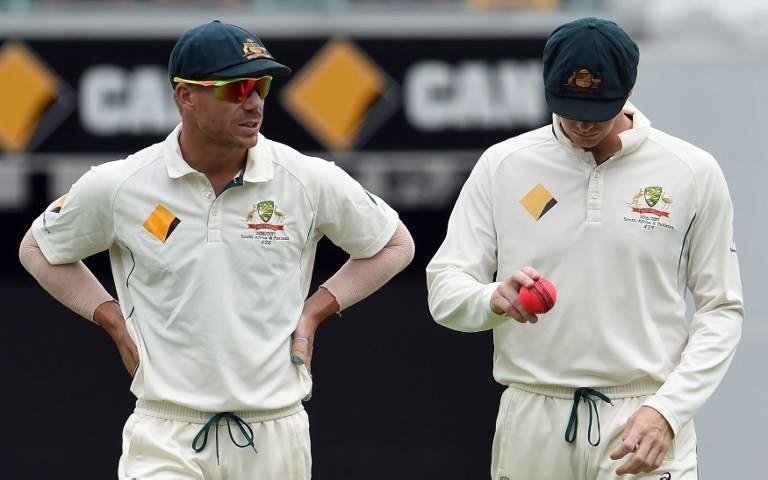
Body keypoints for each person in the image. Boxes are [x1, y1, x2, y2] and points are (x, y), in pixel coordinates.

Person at [19, 20, 414, 479]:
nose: (254, 103)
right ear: (185, 96)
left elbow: (394, 243)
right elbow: (38, 247)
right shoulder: (121, 183)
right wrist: (111, 318)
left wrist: (314, 313)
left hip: (275, 431)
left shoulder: (306, 178)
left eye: (261, 86)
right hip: (165, 432)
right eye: (237, 88)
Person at [426, 17, 742, 480]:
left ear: (629, 89)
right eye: (569, 106)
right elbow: (444, 290)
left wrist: (669, 411)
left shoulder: (691, 171)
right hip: (533, 414)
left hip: (643, 415)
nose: (582, 123)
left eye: (598, 109)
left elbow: (721, 308)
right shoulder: (503, 164)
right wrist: (493, 298)